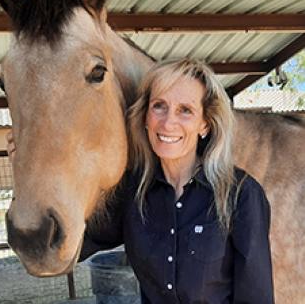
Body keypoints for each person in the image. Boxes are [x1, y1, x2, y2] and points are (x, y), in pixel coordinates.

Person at [80, 59, 274, 303]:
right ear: (145, 117)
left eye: (185, 110)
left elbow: (256, 297)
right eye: (159, 106)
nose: (168, 122)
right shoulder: (132, 191)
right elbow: (65, 244)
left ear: (204, 123)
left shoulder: (241, 194)